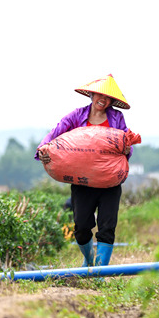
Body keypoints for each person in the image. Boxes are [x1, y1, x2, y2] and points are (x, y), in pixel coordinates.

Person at [35, 74, 132, 268]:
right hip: (83, 181)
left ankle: (100, 272)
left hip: (109, 183)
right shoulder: (77, 116)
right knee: (81, 227)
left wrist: (127, 149)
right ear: (91, 95)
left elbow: (125, 142)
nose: (102, 100)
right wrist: (42, 148)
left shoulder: (116, 118)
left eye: (107, 98)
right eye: (98, 95)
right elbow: (57, 132)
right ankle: (88, 261)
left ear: (112, 101)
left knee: (107, 227)